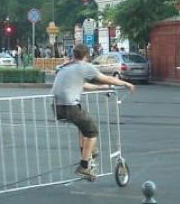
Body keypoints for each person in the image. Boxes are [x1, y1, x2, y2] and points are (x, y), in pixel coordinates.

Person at [52, 43, 135, 179]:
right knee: (92, 131)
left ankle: (88, 153)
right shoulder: (84, 66)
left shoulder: (65, 67)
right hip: (70, 106)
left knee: (83, 125)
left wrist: (101, 87)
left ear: (74, 54)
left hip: (57, 107)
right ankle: (84, 166)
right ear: (87, 55)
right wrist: (126, 83)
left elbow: (83, 85)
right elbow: (108, 78)